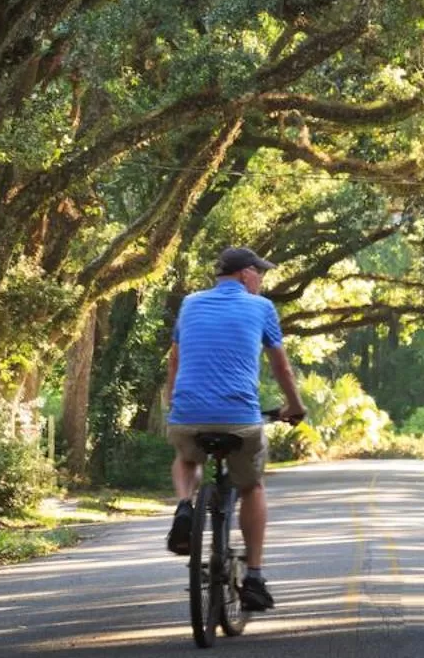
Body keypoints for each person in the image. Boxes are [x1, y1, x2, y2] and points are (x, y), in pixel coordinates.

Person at [163, 246, 307, 612]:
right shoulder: (262, 308)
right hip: (239, 419)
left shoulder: (190, 304)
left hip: (188, 414)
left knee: (186, 457)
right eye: (260, 273)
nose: (262, 280)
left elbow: (175, 360)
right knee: (252, 486)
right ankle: (254, 577)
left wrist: (173, 404)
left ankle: (184, 506)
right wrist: (295, 406)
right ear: (245, 274)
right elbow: (281, 367)